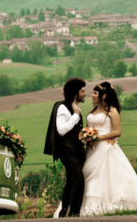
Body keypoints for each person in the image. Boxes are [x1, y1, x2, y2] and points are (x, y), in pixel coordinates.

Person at [79, 81, 137, 216]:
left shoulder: (112, 111)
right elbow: (88, 127)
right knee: (90, 175)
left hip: (106, 148)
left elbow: (117, 132)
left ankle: (109, 204)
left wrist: (98, 137)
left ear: (103, 96)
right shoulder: (93, 111)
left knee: (105, 177)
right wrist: (87, 137)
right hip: (92, 149)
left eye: (95, 93)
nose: (92, 96)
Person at [43, 77, 87, 218]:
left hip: (75, 151)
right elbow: (61, 130)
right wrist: (75, 116)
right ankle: (74, 213)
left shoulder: (75, 107)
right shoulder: (63, 107)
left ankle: (63, 212)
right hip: (67, 152)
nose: (85, 93)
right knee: (79, 180)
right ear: (75, 93)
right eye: (82, 91)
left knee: (70, 182)